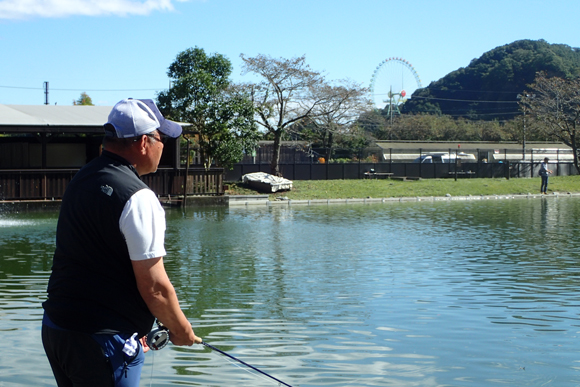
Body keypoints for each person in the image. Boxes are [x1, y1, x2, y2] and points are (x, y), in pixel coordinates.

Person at [42, 98, 202, 387]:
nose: (163, 145)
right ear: (144, 142)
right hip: (102, 340)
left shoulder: (83, 176)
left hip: (57, 329)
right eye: (160, 137)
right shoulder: (138, 197)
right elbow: (155, 287)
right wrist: (181, 329)